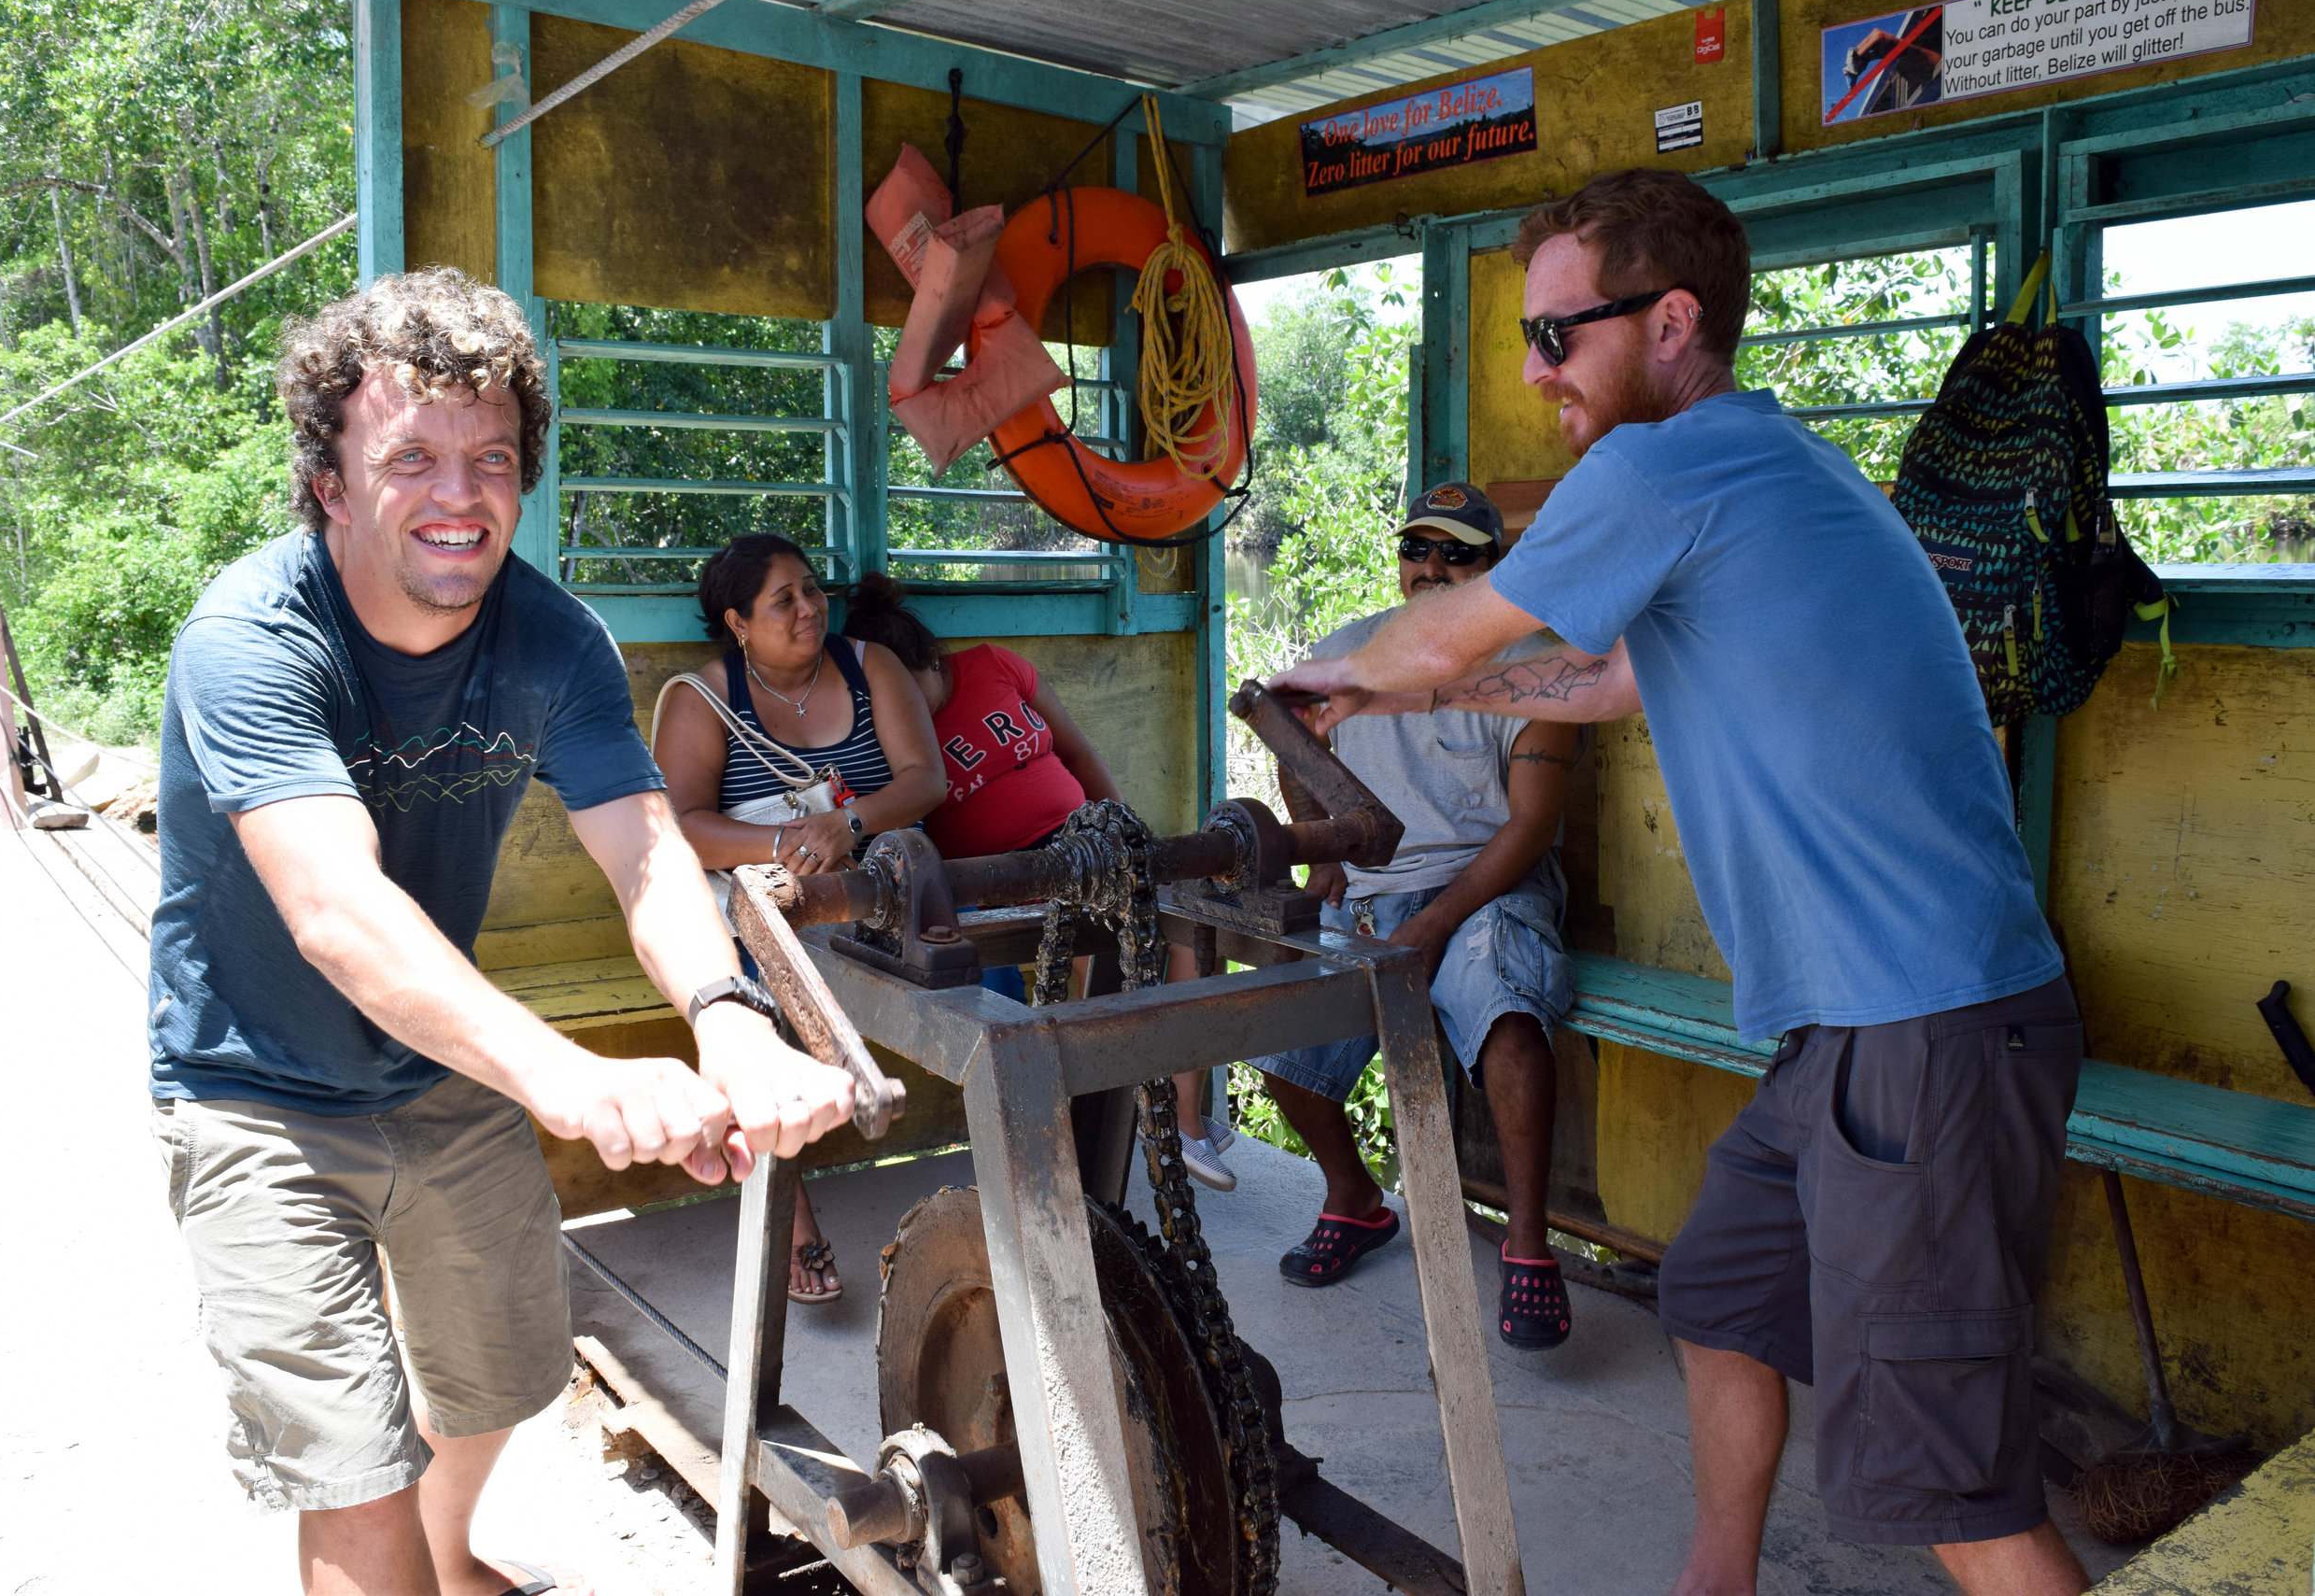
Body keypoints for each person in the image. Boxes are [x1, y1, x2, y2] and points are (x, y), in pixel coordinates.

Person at [1273, 170, 2087, 1594]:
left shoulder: (1668, 467)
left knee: (1952, 1483)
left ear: (1672, 321)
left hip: (1923, 1029)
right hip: (1853, 1030)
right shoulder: (1760, 476)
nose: (1539, 379)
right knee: (1720, 1298)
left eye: (1558, 338)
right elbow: (1602, 676)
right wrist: (1389, 707)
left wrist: (1339, 666)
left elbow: (1465, 625)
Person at [149, 267, 854, 1596]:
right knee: (350, 1486)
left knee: (498, 1378)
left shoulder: (553, 639)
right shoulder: (250, 640)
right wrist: (574, 1080)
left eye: (490, 457)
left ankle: (455, 1552)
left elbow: (644, 849)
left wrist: (728, 1015)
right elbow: (338, 912)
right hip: (255, 1094)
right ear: (331, 483)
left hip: (442, 1068)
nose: (458, 494)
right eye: (410, 456)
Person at [1248, 482, 1580, 1345]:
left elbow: (1531, 827)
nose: (1432, 568)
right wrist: (1323, 854)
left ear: (1493, 567)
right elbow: (1292, 740)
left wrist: (1433, 926)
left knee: (1507, 1015)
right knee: (1277, 1041)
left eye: (1459, 553)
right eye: (1419, 549)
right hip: (1373, 889)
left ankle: (1528, 1246)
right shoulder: (1352, 653)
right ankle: (1354, 1200)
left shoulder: (1538, 666)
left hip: (1490, 885)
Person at [838, 574, 1248, 1187]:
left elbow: (1078, 754)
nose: (899, 707)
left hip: (1091, 836)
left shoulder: (995, 667)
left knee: (1189, 931)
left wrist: (1129, 831)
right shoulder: (885, 739)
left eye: (905, 689)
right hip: (1013, 875)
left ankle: (1183, 1122)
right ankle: (1106, 1130)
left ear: (926, 659)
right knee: (1101, 957)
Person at [652, 539, 947, 1304]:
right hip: (764, 896)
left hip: (876, 886)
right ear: (737, 622)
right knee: (753, 1003)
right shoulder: (703, 696)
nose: (809, 608)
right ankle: (796, 1222)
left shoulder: (868, 665)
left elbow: (926, 781)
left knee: (982, 978)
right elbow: (680, 823)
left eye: (811, 590)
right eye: (783, 599)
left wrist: (848, 824)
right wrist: (784, 845)